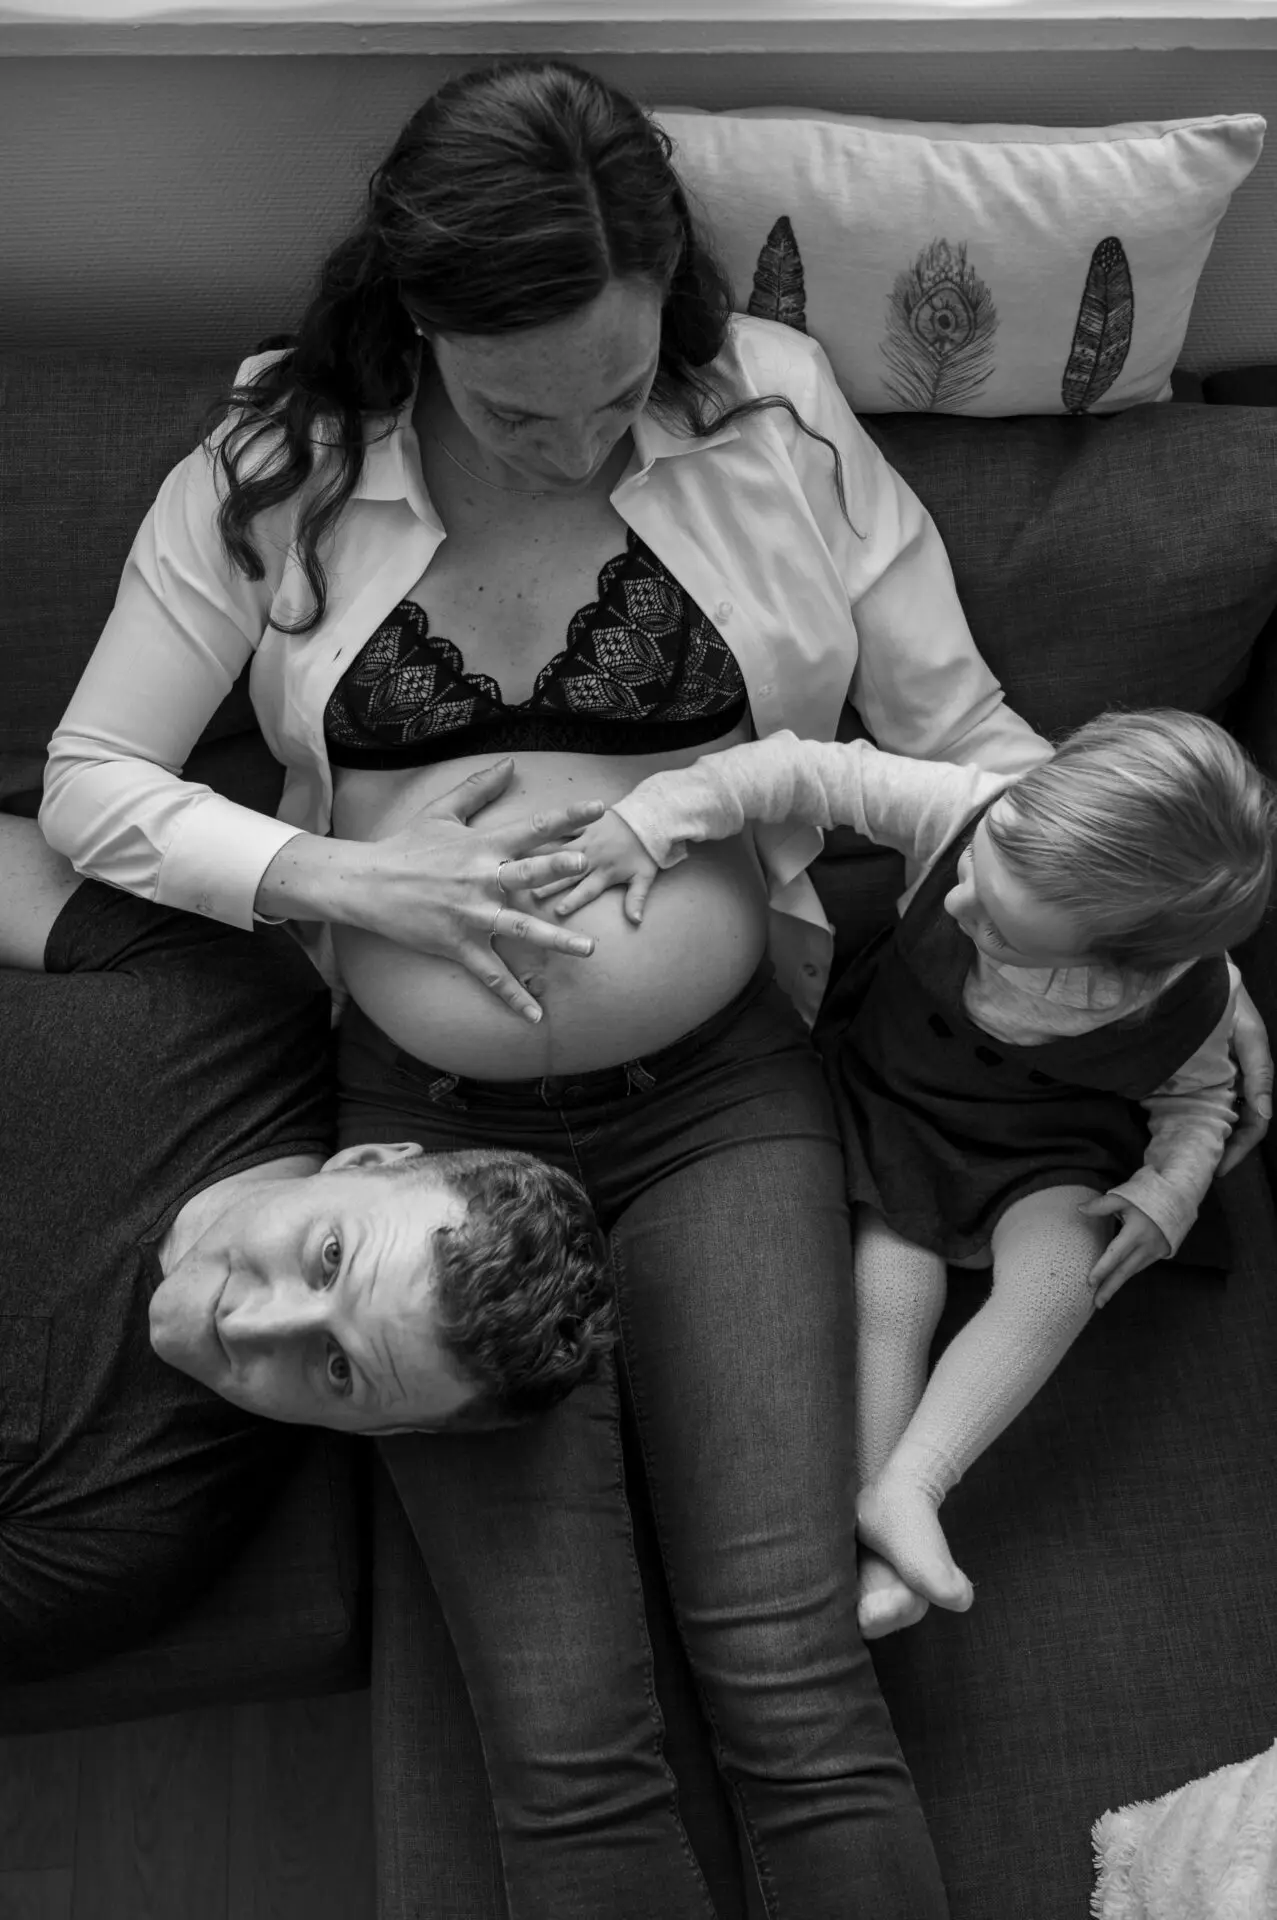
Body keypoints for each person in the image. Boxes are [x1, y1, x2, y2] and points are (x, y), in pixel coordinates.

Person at [35, 55, 1270, 1918]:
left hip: (725, 1104)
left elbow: (960, 737)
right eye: (524, 410)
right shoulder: (273, 468)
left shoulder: (769, 411)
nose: (585, 444)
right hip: (416, 1141)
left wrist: (1157, 929)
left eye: (617, 390)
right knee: (565, 1749)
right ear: (418, 320)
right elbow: (91, 786)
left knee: (795, 1685)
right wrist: (354, 876)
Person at [544, 709, 1276, 1638]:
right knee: (893, 1288)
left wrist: (1166, 1192)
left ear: (1126, 969)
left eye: (1006, 933)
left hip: (1050, 1142)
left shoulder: (1185, 996)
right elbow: (798, 772)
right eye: (980, 874)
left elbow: (1198, 1101)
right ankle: (878, 1552)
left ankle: (911, 1488)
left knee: (1063, 1276)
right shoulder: (967, 811)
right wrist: (653, 819)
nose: (966, 909)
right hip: (897, 1103)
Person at [0, 810, 610, 1681]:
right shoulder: (232, 993)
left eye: (336, 1370)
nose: (252, 1326)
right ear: (364, 1162)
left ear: (382, 1429)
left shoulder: (121, 1536)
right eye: (328, 1257)